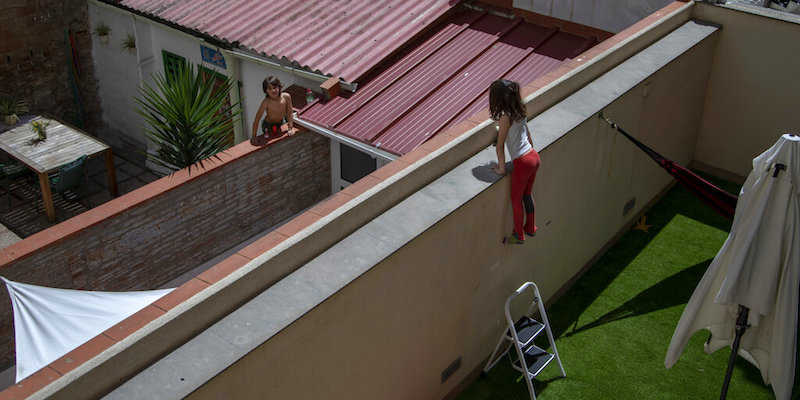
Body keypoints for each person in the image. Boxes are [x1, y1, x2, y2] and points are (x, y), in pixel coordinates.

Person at [489, 79, 540, 245]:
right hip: (533, 156)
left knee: (515, 200)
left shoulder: (505, 117)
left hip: (523, 161)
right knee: (527, 194)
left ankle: (519, 235)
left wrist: (501, 169)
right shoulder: (520, 110)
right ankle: (531, 228)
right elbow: (528, 136)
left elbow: (500, 145)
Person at [251, 76, 293, 141]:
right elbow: (256, 120)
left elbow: (290, 112)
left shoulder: (286, 97)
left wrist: (290, 128)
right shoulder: (266, 102)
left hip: (281, 122)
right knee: (270, 141)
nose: (273, 90)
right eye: (269, 88)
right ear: (265, 91)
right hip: (268, 125)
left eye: (275, 87)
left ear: (279, 87)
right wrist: (254, 137)